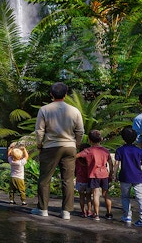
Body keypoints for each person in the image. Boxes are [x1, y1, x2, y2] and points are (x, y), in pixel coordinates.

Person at [32, 82, 84, 219]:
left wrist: (39, 144)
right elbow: (80, 130)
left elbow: (39, 130)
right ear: (66, 95)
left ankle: (43, 209)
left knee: (45, 179)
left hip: (50, 147)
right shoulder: (74, 110)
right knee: (67, 180)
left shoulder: (44, 109)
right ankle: (66, 211)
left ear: (51, 94)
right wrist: (77, 144)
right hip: (70, 147)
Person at [115, 126, 142, 227]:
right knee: (141, 198)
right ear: (135, 138)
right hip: (138, 178)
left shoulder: (120, 150)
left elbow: (116, 164)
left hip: (125, 177)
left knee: (125, 197)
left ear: (123, 138)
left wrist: (114, 175)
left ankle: (127, 216)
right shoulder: (139, 151)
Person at [76, 129, 114, 220]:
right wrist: (111, 173)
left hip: (94, 175)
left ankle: (96, 214)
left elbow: (76, 156)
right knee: (106, 194)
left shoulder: (88, 151)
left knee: (96, 194)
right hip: (104, 174)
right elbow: (110, 163)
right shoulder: (105, 151)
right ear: (101, 139)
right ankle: (109, 213)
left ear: (89, 140)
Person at [75, 143, 93, 218]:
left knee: (81, 197)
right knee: (88, 197)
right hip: (88, 180)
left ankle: (83, 212)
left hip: (80, 180)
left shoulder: (77, 160)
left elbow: (75, 170)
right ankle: (89, 211)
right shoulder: (90, 160)